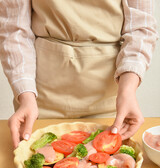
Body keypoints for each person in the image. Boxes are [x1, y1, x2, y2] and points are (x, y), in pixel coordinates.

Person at [0, 0, 158, 149]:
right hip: (38, 100)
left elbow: (140, 29)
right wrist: (26, 96)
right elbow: (14, 31)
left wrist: (127, 91)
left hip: (111, 102)